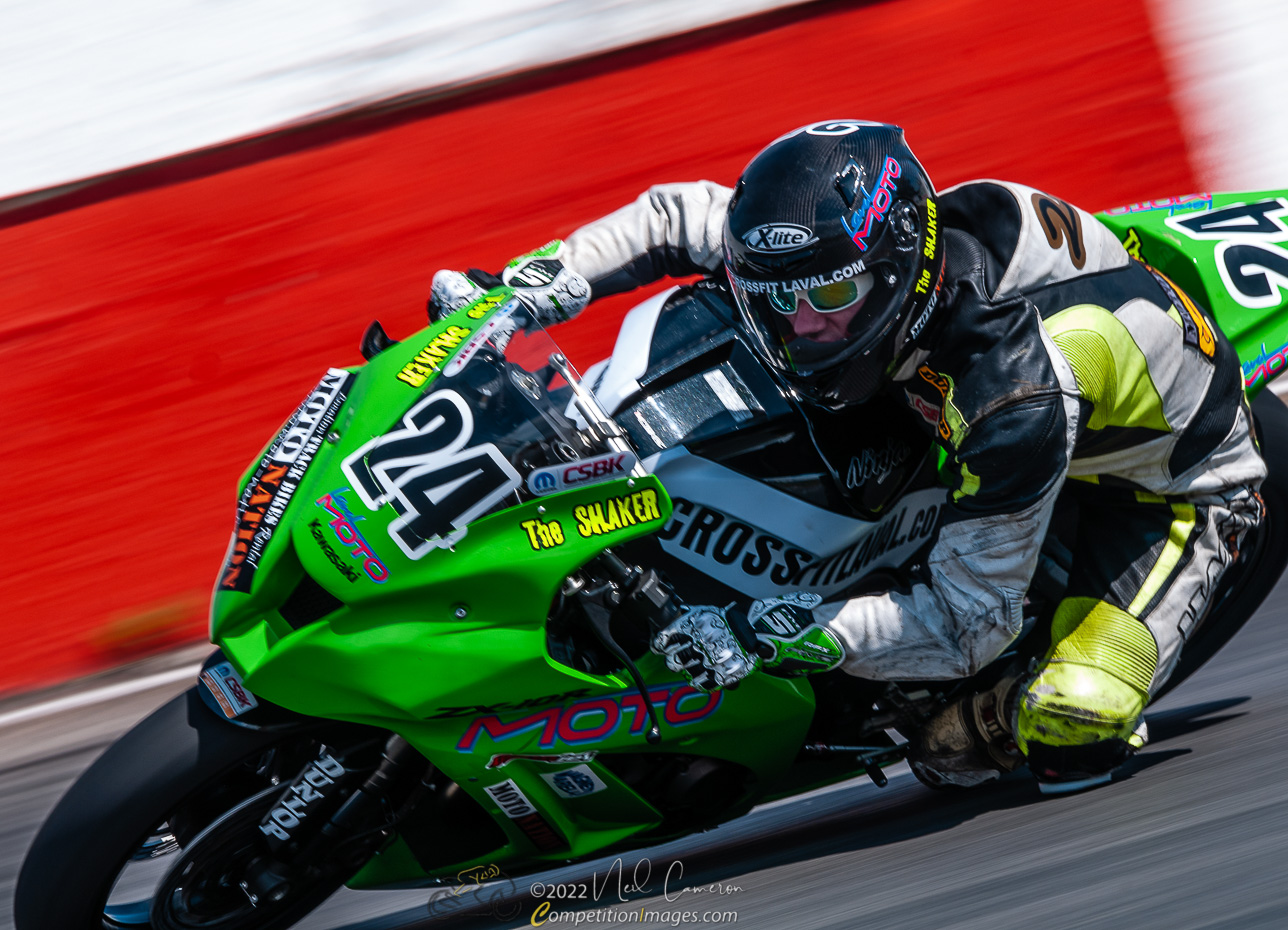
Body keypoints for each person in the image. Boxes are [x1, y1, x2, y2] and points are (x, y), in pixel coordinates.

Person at [428, 120, 1265, 793]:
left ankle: (1015, 709)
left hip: (1161, 494)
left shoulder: (1013, 398)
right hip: (1032, 368)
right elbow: (675, 216)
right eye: (778, 302)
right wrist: (529, 286)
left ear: (899, 265)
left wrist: (777, 632)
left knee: (1049, 728)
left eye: (830, 301)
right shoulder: (837, 249)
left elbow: (969, 623)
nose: (803, 329)